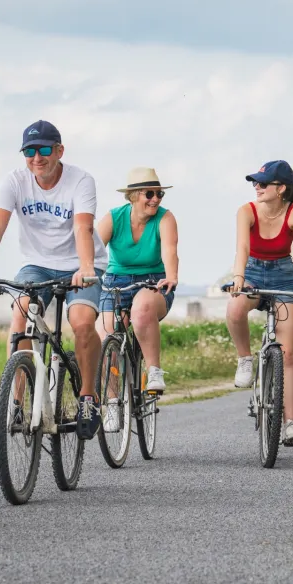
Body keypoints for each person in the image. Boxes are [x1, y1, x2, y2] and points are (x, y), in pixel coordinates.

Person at [0, 119, 108, 440]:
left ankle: (88, 397)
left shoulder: (80, 180)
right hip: (38, 265)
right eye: (29, 151)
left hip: (83, 265)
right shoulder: (14, 182)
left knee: (82, 321)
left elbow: (82, 227)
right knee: (21, 313)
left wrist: (85, 267)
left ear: (59, 150)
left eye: (44, 149)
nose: (37, 157)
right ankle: (15, 402)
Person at [226, 160, 293, 446]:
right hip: (253, 273)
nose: (257, 187)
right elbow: (242, 247)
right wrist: (238, 278)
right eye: (255, 182)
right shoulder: (247, 211)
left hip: (282, 277)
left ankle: (290, 423)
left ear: (281, 188)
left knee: (289, 352)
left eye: (263, 183)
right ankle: (245, 359)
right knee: (234, 310)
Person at [96, 166, 179, 413]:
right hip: (114, 282)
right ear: (133, 196)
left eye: (159, 194)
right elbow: (94, 251)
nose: (155, 199)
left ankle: (154, 371)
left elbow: (170, 251)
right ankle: (111, 403)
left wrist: (172, 276)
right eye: (149, 194)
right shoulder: (113, 218)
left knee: (141, 310)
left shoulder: (165, 218)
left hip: (154, 281)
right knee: (106, 337)